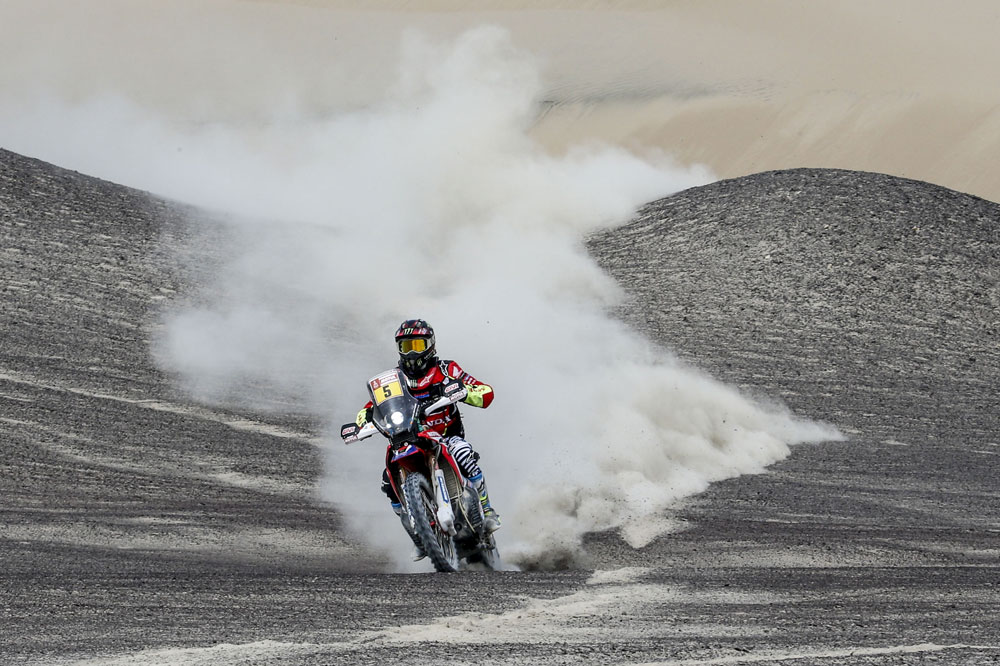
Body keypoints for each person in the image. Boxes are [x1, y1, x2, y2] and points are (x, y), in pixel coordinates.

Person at [343, 319, 500, 557]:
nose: (413, 352)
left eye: (418, 344)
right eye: (406, 346)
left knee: (464, 453)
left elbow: (485, 391)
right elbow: (370, 407)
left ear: (431, 345)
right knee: (388, 481)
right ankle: (418, 534)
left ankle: (488, 513)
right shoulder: (392, 381)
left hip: (447, 437)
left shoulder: (448, 369)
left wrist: (464, 391)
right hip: (407, 439)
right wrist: (359, 424)